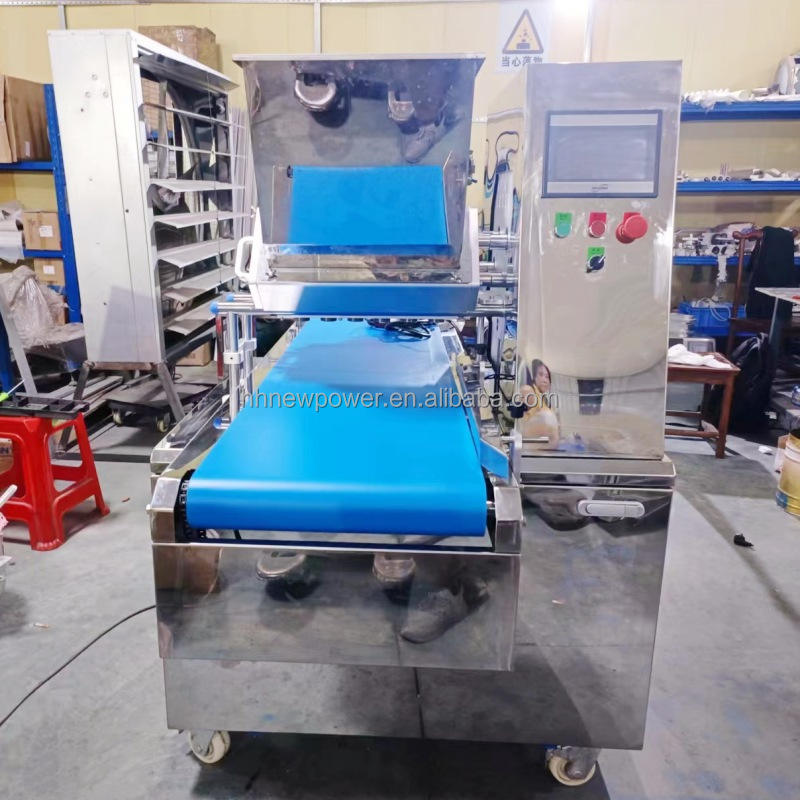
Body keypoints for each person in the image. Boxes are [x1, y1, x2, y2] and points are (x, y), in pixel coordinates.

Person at [519, 358, 560, 447]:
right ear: (534, 377)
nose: (545, 380)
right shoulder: (528, 390)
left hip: (547, 449)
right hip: (532, 448)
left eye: (547, 377)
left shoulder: (546, 401)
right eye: (541, 374)